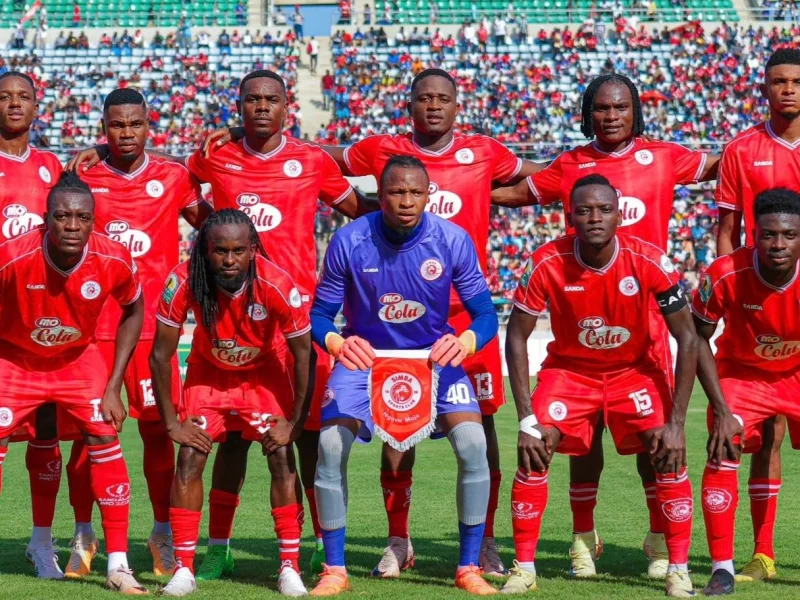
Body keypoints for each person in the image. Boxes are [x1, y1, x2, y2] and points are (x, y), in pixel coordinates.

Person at [317, 68, 542, 578]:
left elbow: (539, 178)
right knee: (390, 439)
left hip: (454, 334)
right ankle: (394, 542)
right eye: (425, 98)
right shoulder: (378, 162)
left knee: (480, 431)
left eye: (443, 98)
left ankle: (481, 547)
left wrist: (590, 165)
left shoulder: (480, 158)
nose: (434, 106)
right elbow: (319, 157)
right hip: (378, 341)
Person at [492, 72, 719, 579]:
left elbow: (723, 164)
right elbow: (516, 193)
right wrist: (447, 186)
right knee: (582, 438)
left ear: (635, 111)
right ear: (587, 113)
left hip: (648, 325)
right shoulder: (570, 165)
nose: (611, 116)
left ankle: (659, 539)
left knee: (653, 444)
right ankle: (581, 538)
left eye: (620, 108)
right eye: (601, 108)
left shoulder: (663, 156)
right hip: (582, 324)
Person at [309, 155, 499, 596]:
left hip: (433, 359)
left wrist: (466, 342)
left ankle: (468, 566)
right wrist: (336, 343)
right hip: (365, 359)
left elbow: (486, 315)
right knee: (330, 446)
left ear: (429, 195)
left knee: (474, 445)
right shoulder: (349, 240)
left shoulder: (452, 239)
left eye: (416, 192)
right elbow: (319, 315)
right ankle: (334, 569)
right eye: (397, 192)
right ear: (381, 195)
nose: (407, 201)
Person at [503, 174, 698, 597]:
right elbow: (516, 336)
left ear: (619, 215)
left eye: (604, 210)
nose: (595, 218)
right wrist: (525, 418)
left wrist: (678, 422)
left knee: (667, 452)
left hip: (634, 372)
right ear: (570, 216)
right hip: (570, 373)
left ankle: (677, 567)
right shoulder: (546, 261)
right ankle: (524, 567)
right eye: (584, 211)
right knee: (535, 448)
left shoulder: (649, 259)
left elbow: (688, 337)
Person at [61, 88, 211, 579]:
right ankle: (83, 534)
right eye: (116, 125)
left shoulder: (173, 176)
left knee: (158, 434)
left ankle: (161, 533)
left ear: (149, 125)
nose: (126, 133)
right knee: (88, 437)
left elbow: (213, 228)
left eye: (135, 124)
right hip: (91, 330)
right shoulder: (83, 175)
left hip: (153, 333)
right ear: (103, 128)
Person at [150, 209, 314, 597]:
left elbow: (304, 354)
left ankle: (289, 566)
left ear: (253, 249)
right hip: (210, 375)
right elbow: (160, 355)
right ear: (204, 250)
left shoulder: (276, 283)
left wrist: (294, 421)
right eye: (220, 250)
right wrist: (171, 422)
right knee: (190, 455)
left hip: (263, 374)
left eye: (238, 250)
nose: (228, 259)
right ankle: (184, 568)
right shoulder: (184, 280)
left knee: (281, 454)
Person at [0, 172, 148, 594]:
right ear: (45, 219)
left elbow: (134, 308)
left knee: (104, 436)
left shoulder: (113, 257)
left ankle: (118, 564)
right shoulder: (11, 255)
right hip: (16, 359)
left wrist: (114, 384)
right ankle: (40, 545)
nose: (71, 225)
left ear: (93, 221)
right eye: (62, 216)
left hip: (76, 359)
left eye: (82, 218)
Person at [713, 47, 800, 583]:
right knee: (761, 437)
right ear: (764, 88)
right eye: (779, 81)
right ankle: (762, 554)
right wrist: (730, 291)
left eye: (797, 81)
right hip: (757, 302)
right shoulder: (742, 149)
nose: (788, 89)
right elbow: (727, 232)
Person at [694, 189, 800, 596]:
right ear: (753, 234)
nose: (778, 244)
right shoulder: (725, 273)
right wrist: (721, 409)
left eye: (790, 235)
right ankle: (721, 568)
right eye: (768, 234)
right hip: (742, 375)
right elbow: (696, 338)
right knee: (724, 447)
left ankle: (764, 556)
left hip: (796, 372)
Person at [0, 70, 67, 580]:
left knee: (47, 431)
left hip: (40, 323)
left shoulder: (51, 166)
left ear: (37, 106)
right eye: (4, 96)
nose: (13, 104)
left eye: (23, 96)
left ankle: (41, 542)